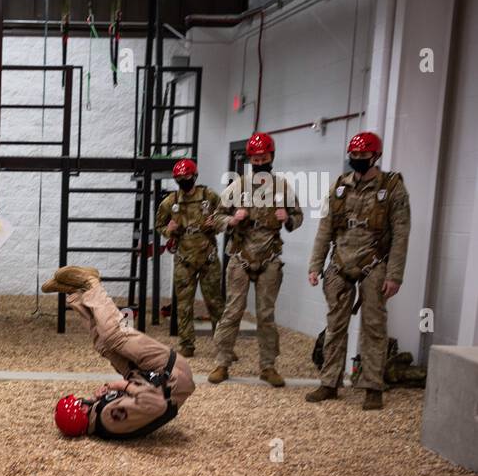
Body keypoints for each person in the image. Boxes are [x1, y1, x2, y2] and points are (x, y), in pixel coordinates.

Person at [305, 131, 411, 410]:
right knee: (334, 326)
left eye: (363, 156)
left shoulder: (392, 187)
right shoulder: (339, 187)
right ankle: (329, 382)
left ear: (375, 156)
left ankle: (372, 387)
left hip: (374, 264)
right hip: (340, 264)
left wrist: (394, 274)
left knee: (374, 328)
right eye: (354, 156)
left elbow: (401, 233)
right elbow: (325, 229)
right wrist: (316, 265)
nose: (358, 160)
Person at [43, 266, 195, 440]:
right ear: (82, 410)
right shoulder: (110, 417)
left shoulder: (100, 419)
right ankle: (91, 283)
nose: (85, 400)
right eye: (81, 402)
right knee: (114, 336)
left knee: (103, 345)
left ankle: (76, 293)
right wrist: (119, 386)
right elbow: (156, 404)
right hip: (172, 373)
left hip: (153, 377)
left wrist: (105, 393)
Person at [209, 131, 303, 387]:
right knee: (233, 311)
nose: (260, 161)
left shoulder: (282, 186)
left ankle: (268, 366)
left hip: (270, 257)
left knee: (266, 314)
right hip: (240, 255)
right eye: (256, 158)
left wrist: (289, 219)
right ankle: (222, 362)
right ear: (250, 159)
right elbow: (214, 218)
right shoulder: (237, 186)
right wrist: (232, 219)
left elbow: (299, 216)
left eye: (264, 157)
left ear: (272, 156)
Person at [155, 158, 224, 358]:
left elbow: (225, 217)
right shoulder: (171, 202)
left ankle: (223, 344)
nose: (183, 181)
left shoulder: (209, 196)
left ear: (194, 176)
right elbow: (159, 225)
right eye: (179, 179)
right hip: (184, 259)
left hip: (208, 258)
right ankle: (187, 343)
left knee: (215, 303)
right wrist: (168, 231)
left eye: (186, 177)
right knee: (184, 305)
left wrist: (215, 223)